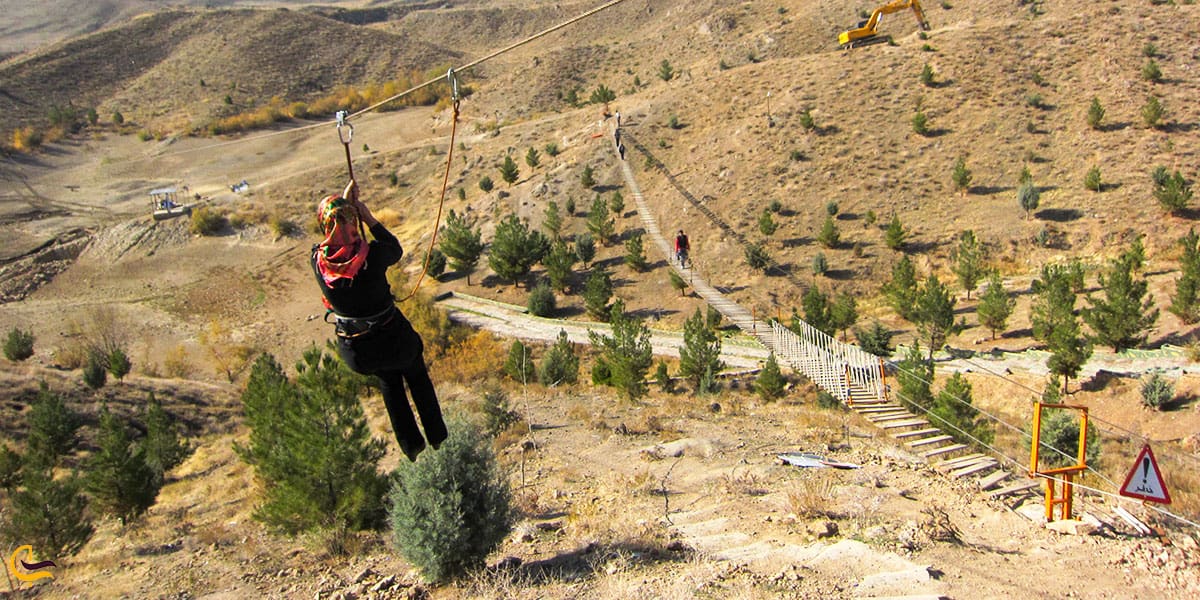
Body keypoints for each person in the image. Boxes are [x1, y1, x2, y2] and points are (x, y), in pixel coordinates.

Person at [311, 180, 447, 461]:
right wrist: (367, 216)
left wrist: (348, 207)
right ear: (351, 223)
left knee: (390, 382)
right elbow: (394, 249)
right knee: (416, 374)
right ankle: (437, 437)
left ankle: (413, 447)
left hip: (358, 351)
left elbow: (339, 233)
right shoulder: (371, 255)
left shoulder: (318, 262)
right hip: (394, 340)